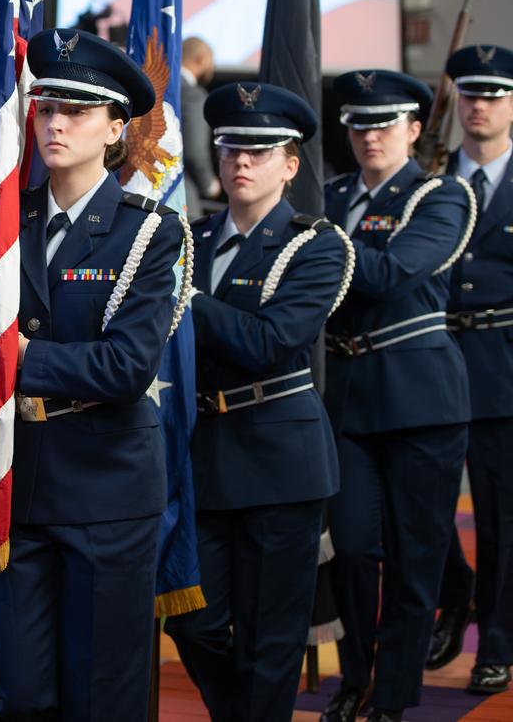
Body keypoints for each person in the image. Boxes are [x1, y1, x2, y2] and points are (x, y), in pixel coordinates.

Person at [0, 28, 190, 721]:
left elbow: (126, 365)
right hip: (22, 482)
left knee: (102, 692)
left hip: (107, 490)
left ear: (114, 129)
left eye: (76, 111)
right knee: (24, 691)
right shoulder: (6, 225)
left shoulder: (150, 231)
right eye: (46, 108)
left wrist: (8, 360)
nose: (56, 123)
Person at [164, 82, 352, 721]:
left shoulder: (317, 244)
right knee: (193, 619)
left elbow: (273, 342)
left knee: (271, 639)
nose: (242, 161)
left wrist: (186, 301)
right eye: (230, 148)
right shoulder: (189, 239)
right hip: (205, 454)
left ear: (290, 165)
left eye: (261, 150)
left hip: (280, 456)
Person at [320, 70, 477, 722]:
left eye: (384, 124)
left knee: (416, 558)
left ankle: (393, 695)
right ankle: (355, 675)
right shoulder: (328, 197)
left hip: (421, 400)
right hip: (349, 398)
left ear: (414, 130)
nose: (370, 136)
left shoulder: (442, 196)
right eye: (359, 124)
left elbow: (391, 273)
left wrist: (314, 245)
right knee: (354, 549)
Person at [429, 44, 513, 695]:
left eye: (492, 95)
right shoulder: (430, 176)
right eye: (469, 95)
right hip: (428, 362)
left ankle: (499, 640)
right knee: (420, 506)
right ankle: (454, 597)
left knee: (499, 518)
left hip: (501, 367)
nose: (478, 106)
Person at [180, 36, 221, 218]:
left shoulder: (154, 86)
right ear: (201, 59)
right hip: (180, 196)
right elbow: (194, 151)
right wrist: (208, 184)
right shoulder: (192, 94)